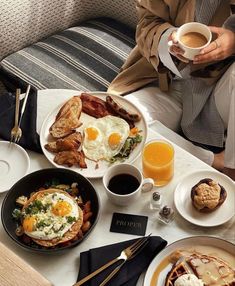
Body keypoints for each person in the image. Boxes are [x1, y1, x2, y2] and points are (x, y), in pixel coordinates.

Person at [108, 0, 235, 180]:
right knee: (123, 122)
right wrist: (166, 38)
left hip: (218, 93)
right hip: (165, 83)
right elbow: (148, 23)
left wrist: (233, 41)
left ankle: (232, 171)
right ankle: (214, 160)